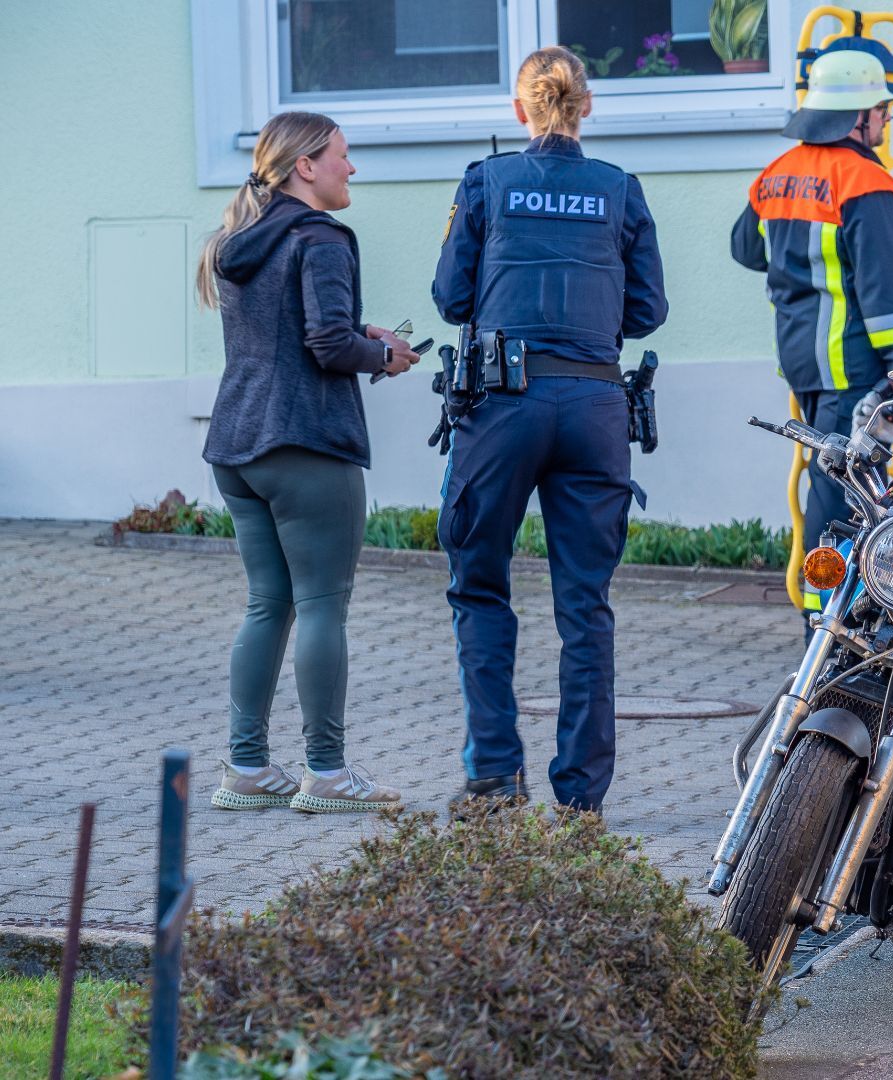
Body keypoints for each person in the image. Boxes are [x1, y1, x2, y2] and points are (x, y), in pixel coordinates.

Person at [431, 46, 667, 814]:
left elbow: (450, 298)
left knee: (479, 587)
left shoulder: (487, 182)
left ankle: (496, 778)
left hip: (502, 407)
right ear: (586, 106)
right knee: (586, 607)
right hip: (595, 408)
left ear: (520, 109)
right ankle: (581, 802)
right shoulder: (620, 190)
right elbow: (647, 312)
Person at [198, 110, 419, 814]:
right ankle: (326, 773)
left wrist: (361, 331)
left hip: (238, 444)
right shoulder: (322, 237)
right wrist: (383, 355)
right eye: (342, 156)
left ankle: (247, 768)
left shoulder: (238, 240)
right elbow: (326, 346)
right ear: (305, 166)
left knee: (268, 604)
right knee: (323, 604)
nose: (351, 168)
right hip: (306, 444)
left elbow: (289, 328)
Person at [729, 49, 893, 625]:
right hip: (852, 364)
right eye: (881, 111)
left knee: (837, 484)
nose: (885, 121)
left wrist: (802, 273)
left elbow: (745, 248)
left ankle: (842, 614)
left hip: (803, 362)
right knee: (842, 492)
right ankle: (828, 623)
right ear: (856, 118)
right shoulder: (867, 182)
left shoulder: (778, 173)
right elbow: (884, 292)